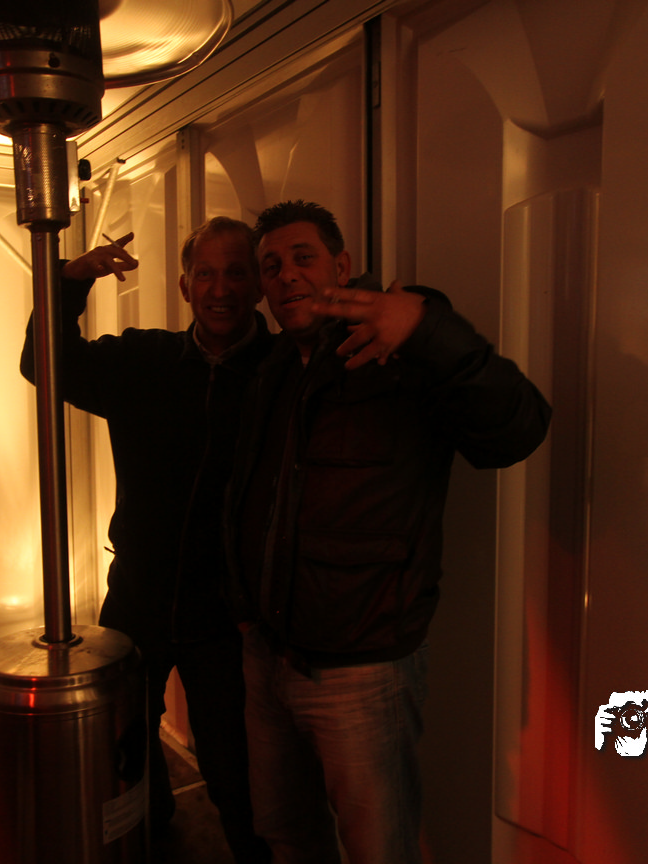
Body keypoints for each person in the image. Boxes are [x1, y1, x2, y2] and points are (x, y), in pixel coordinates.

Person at [226, 200, 552, 864]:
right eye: (271, 266)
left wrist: (427, 330)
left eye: (303, 258)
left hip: (362, 669)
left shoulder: (399, 351)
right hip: (267, 656)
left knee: (379, 852)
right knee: (286, 834)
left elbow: (520, 428)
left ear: (342, 266)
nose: (286, 275)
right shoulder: (273, 369)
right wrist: (246, 612)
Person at [20, 217, 273, 863]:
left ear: (257, 286)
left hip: (229, 619)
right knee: (123, 756)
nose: (220, 289)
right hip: (136, 600)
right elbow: (42, 363)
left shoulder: (281, 376)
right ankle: (153, 835)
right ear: (185, 286)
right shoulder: (144, 361)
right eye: (206, 274)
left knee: (236, 775)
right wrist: (69, 282)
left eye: (236, 272)